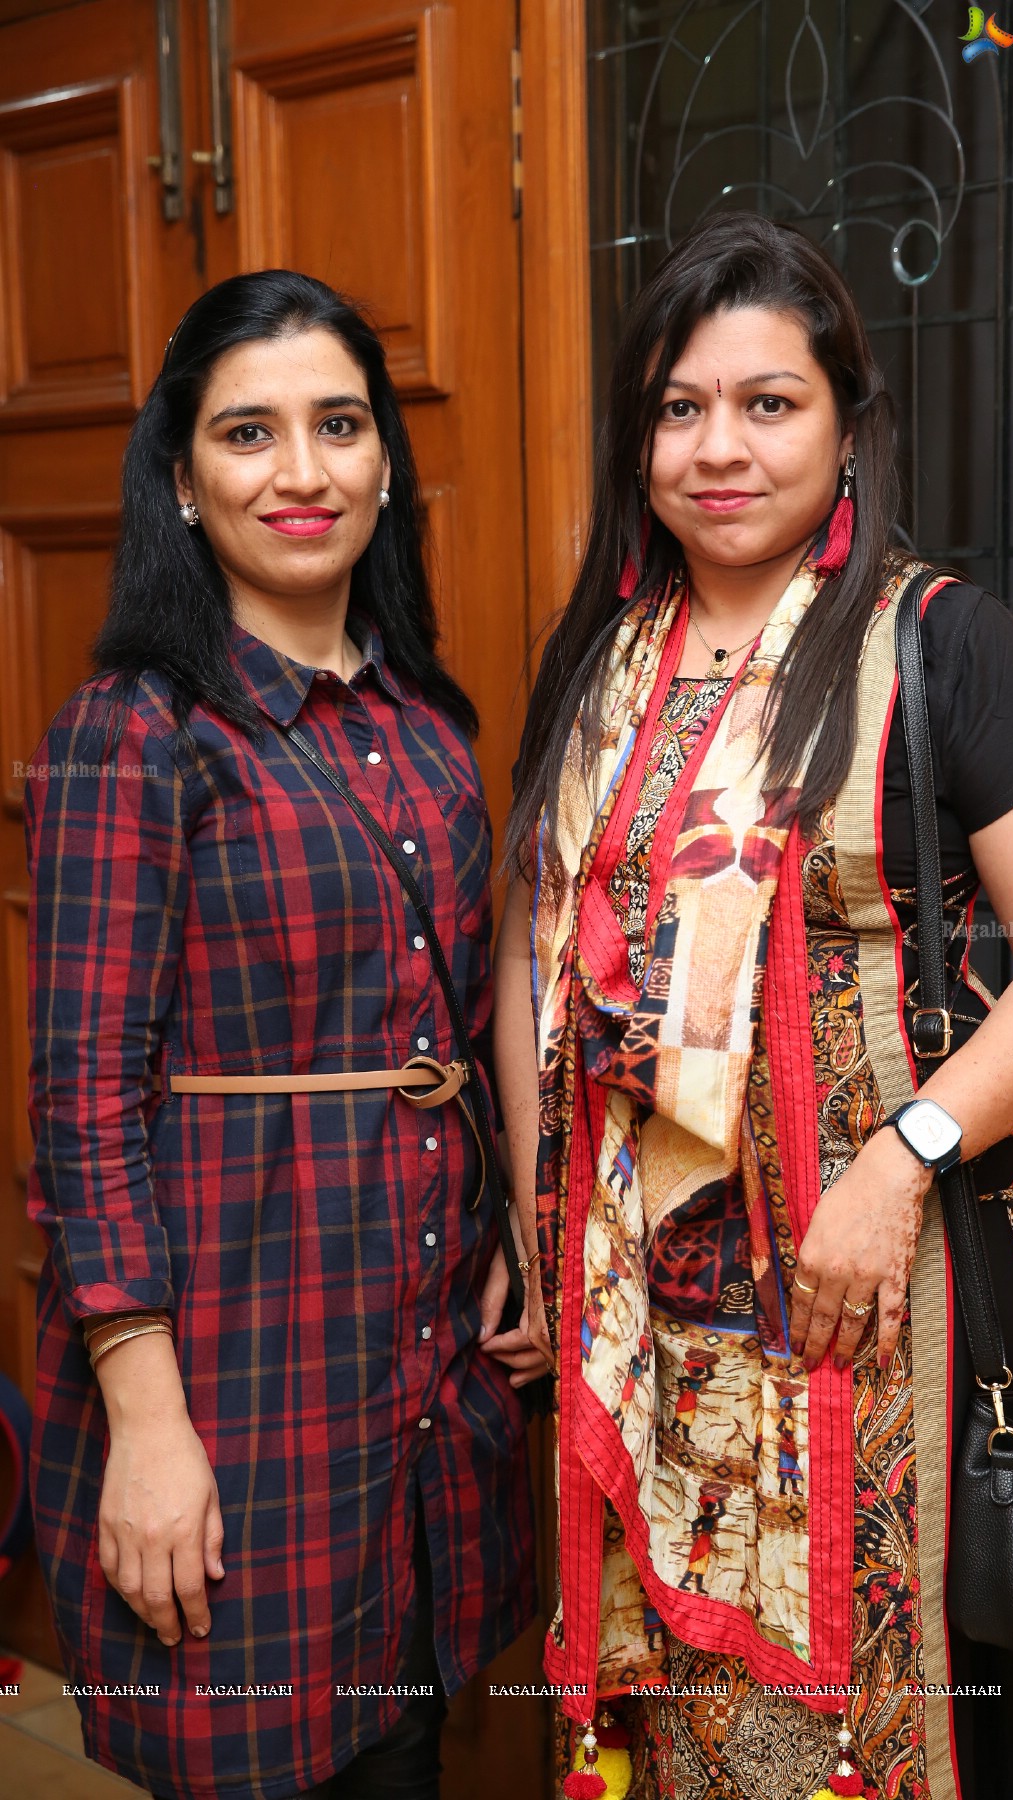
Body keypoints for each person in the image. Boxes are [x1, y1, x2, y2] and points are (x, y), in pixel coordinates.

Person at [495, 213, 1013, 1800]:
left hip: (874, 1294)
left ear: (849, 423)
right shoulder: (600, 668)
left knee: (873, 1720)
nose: (719, 448)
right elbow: (533, 956)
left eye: (770, 403)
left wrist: (897, 1159)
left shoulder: (946, 646)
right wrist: (536, 1222)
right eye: (678, 407)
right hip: (643, 1314)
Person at [24, 270, 547, 1800]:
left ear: (386, 458)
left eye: (338, 425)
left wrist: (512, 1224)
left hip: (423, 1351)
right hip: (242, 1362)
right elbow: (80, 1102)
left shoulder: (423, 716)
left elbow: (452, 1020)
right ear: (182, 480)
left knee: (402, 1739)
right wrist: (148, 1423)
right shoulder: (136, 732)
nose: (302, 473)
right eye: (249, 434)